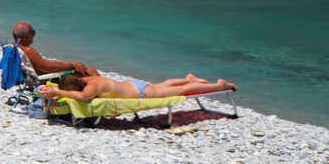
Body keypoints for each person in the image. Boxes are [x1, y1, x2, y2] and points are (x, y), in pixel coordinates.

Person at [40, 71, 236, 102]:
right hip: (134, 85)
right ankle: (189, 78)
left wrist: (58, 92)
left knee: (180, 91)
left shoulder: (90, 89)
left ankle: (218, 85)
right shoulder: (91, 79)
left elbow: (82, 98)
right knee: (165, 84)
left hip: (140, 92)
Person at [11, 22, 94, 77]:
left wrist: (72, 63)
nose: (34, 35)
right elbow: (47, 68)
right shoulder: (28, 50)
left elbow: (45, 63)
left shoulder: (15, 48)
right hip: (46, 80)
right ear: (26, 36)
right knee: (91, 72)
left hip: (36, 79)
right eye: (32, 32)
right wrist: (72, 66)